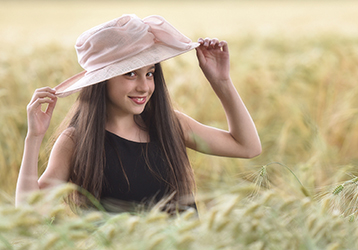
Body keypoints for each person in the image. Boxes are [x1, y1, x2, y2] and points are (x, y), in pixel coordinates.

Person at [15, 14, 261, 213]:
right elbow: (30, 213)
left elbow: (247, 146)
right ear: (102, 81)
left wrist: (222, 82)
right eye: (130, 74)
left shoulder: (169, 125)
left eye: (150, 73)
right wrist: (34, 137)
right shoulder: (76, 141)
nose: (144, 86)